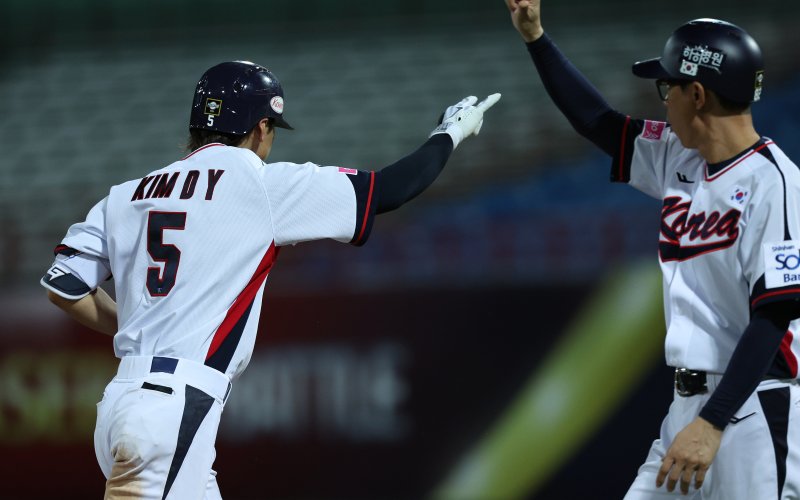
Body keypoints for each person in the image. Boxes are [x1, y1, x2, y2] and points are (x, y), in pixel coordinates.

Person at [40, 59, 500, 499]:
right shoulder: (258, 184)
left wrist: (140, 327)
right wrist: (450, 132)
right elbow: (392, 189)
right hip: (173, 410)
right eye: (272, 130)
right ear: (262, 126)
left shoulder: (127, 194)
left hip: (123, 401)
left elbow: (63, 285)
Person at [505, 1, 800, 498]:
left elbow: (773, 318)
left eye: (668, 88)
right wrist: (536, 37)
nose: (663, 100)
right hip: (688, 408)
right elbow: (599, 122)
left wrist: (712, 423)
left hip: (752, 406)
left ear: (698, 94)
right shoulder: (678, 156)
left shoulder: (776, 184)